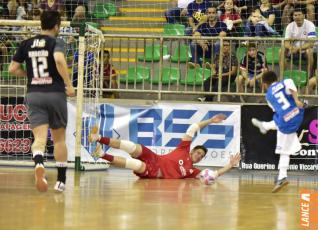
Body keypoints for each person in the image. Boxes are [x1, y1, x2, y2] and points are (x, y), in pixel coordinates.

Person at [8, 11, 75, 192]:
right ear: (56, 26)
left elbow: (12, 68)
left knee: (39, 138)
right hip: (54, 93)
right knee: (59, 139)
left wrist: (28, 75)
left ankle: (39, 164)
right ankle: (61, 181)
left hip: (34, 94)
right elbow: (59, 59)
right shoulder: (56, 42)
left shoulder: (26, 43)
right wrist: (69, 85)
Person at [89, 114, 241, 180]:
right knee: (134, 147)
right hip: (155, 158)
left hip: (157, 172)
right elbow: (192, 128)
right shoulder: (183, 149)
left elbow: (213, 174)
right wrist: (210, 120)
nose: (199, 156)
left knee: (136, 164)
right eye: (199, 153)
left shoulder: (192, 171)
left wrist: (229, 166)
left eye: (202, 156)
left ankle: (102, 154)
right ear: (193, 150)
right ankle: (98, 138)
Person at [251, 70, 304, 193]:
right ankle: (265, 126)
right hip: (297, 114)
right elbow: (290, 82)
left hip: (286, 121)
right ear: (276, 78)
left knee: (283, 151)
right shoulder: (284, 82)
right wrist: (296, 99)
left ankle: (282, 177)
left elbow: (276, 109)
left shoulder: (268, 96)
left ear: (264, 84)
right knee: (284, 146)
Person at [280, 7, 315, 78]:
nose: (297, 17)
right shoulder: (289, 26)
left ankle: (309, 76)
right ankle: (282, 75)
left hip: (304, 50)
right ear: (293, 17)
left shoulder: (310, 25)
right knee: (281, 50)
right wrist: (291, 47)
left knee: (310, 51)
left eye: (299, 14)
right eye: (295, 15)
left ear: (304, 15)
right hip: (293, 50)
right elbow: (286, 42)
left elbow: (311, 43)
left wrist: (299, 48)